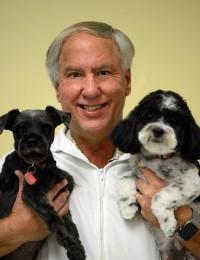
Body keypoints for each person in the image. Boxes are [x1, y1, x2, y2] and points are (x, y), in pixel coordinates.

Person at [0, 21, 200, 259]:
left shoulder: (181, 172)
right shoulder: (9, 169)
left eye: (104, 72)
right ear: (57, 87)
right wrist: (14, 231)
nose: (91, 90)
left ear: (127, 81)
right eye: (75, 74)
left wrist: (181, 218)